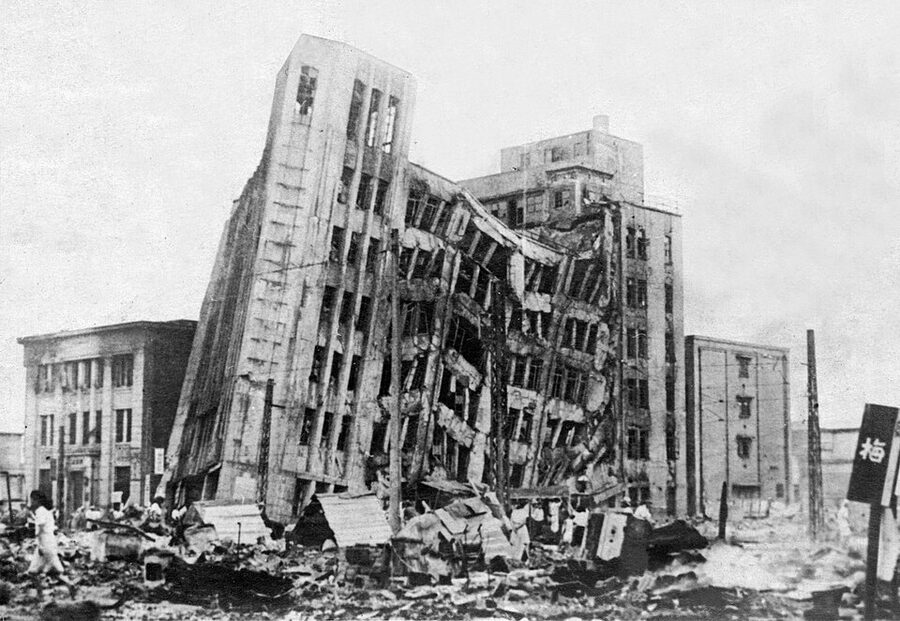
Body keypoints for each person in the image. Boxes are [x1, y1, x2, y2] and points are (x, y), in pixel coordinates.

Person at [25, 490, 76, 600]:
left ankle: (41, 595)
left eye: (32, 500)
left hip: (45, 544)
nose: (31, 502)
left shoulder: (40, 512)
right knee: (54, 572)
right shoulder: (45, 511)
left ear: (37, 500)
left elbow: (40, 530)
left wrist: (40, 546)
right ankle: (69, 586)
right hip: (49, 543)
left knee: (33, 572)